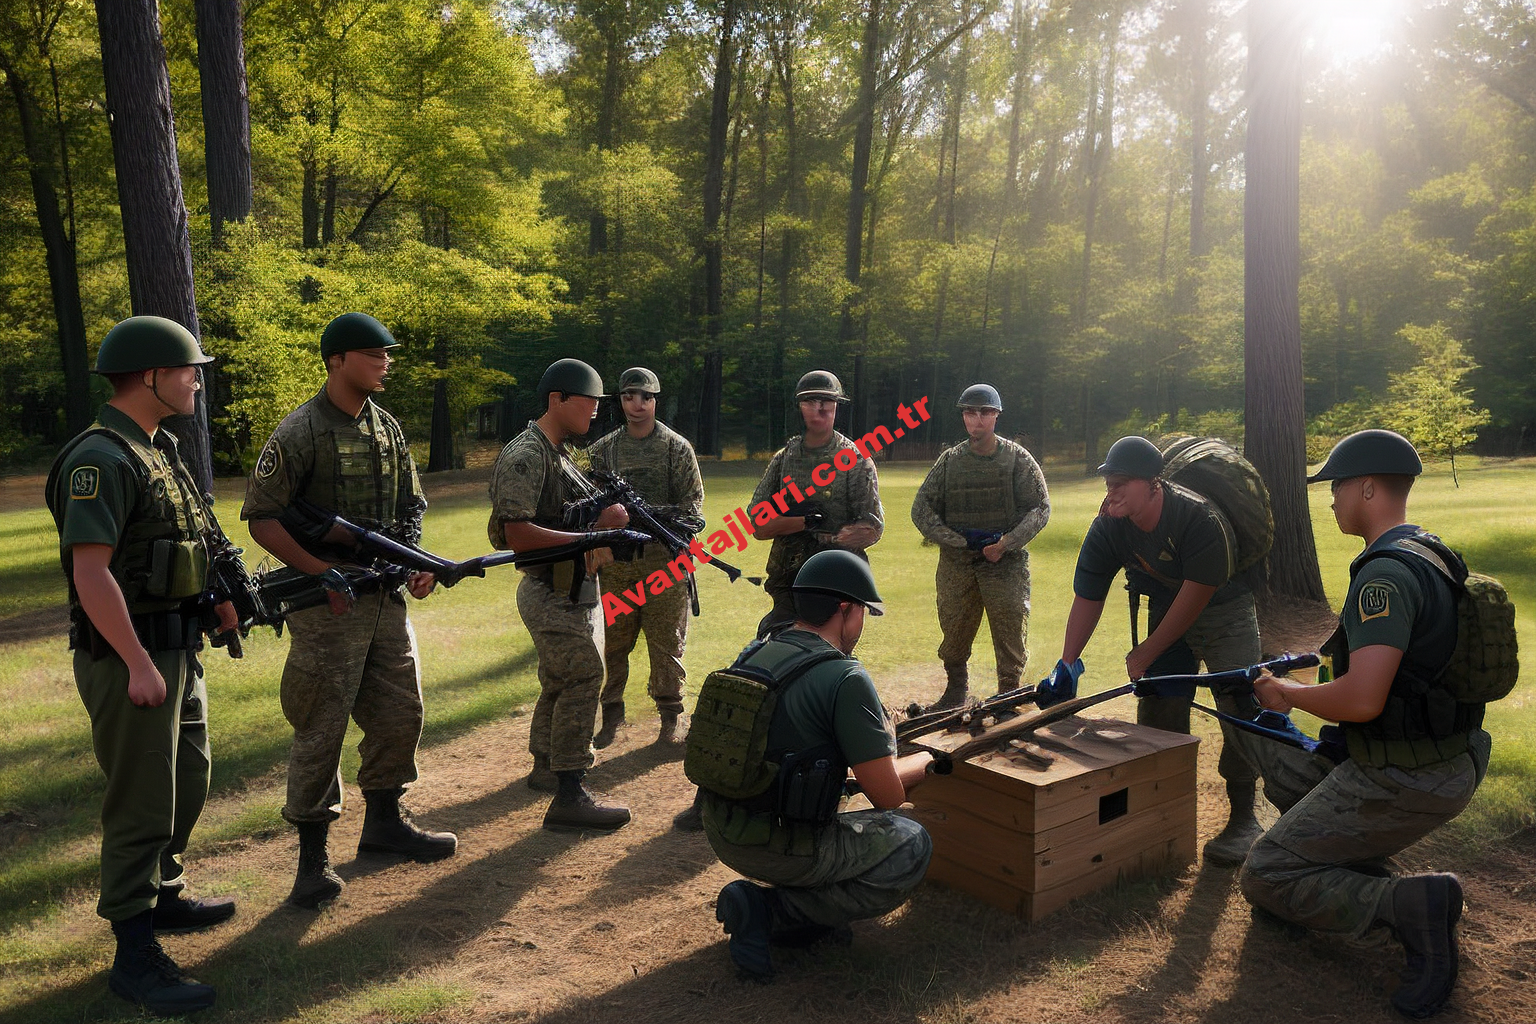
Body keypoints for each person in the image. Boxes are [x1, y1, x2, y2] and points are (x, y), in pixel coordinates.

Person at [1241, 430, 1491, 1020]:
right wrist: (1300, 666)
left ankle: (1407, 903)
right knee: (1285, 770)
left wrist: (1290, 696)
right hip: (1442, 755)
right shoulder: (1427, 552)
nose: (1330, 500)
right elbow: (1378, 659)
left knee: (1266, 873)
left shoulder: (1383, 577)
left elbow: (1361, 700)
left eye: (1336, 487)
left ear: (1369, 487)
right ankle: (1348, 863)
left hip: (1404, 775)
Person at [46, 316, 237, 1016]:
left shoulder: (159, 449)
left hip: (175, 646)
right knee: (142, 805)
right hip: (130, 657)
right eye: (189, 369)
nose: (196, 379)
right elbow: (91, 574)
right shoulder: (101, 458)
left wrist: (214, 603)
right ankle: (133, 955)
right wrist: (136, 663)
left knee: (190, 781)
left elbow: (181, 546)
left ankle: (163, 896)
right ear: (149, 375)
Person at [242, 312, 455, 911]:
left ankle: (384, 824)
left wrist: (415, 559)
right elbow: (263, 517)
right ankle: (312, 861)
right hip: (328, 606)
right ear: (336, 360)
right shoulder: (300, 432)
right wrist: (320, 570)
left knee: (399, 711)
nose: (386, 360)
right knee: (321, 725)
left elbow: (411, 504)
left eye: (388, 352)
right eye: (373, 352)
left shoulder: (386, 427)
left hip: (383, 598)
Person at [701, 550, 935, 981]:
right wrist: (932, 758)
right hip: (777, 844)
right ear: (845, 608)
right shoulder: (845, 676)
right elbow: (887, 795)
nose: (862, 623)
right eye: (863, 611)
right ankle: (773, 912)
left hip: (721, 825)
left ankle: (791, 905)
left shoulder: (756, 651)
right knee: (910, 843)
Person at [1054, 435, 1264, 866]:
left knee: (1240, 708)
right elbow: (1089, 594)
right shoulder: (1110, 523)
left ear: (1153, 484)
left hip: (1225, 608)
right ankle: (1160, 814)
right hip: (1168, 605)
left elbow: (1198, 594)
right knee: (1159, 709)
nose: (1111, 492)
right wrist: (1067, 662)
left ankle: (1244, 817)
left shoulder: (1197, 518)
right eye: (1109, 482)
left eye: (1122, 483)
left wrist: (1146, 652)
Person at [488, 358, 632, 832]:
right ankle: (571, 791)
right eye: (588, 401)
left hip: (568, 587)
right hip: (548, 590)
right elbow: (515, 533)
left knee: (559, 678)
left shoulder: (560, 453)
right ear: (558, 400)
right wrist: (594, 532)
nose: (595, 410)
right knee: (584, 675)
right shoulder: (527, 455)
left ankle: (546, 767)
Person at [911, 384, 1050, 710]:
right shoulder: (950, 462)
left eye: (984, 412)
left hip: (1005, 564)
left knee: (1009, 628)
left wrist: (1006, 544)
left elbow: (1040, 508)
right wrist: (956, 540)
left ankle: (1008, 694)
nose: (977, 419)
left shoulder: (1017, 460)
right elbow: (921, 509)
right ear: (963, 416)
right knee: (954, 626)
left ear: (996, 416)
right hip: (958, 562)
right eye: (970, 412)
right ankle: (955, 690)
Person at [587, 367, 705, 747]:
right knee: (614, 644)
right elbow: (586, 505)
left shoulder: (677, 449)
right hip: (618, 564)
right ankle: (612, 715)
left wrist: (649, 515)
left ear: (656, 400)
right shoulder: (603, 451)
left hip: (664, 564)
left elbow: (693, 511)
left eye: (645, 397)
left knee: (667, 644)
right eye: (628, 397)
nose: (637, 405)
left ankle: (671, 717)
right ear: (619, 401)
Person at [751, 370, 884, 638]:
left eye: (827, 402)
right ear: (800, 407)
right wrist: (802, 522)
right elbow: (758, 523)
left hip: (837, 582)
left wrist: (833, 539)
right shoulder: (784, 459)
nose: (819, 409)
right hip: (789, 580)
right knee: (788, 654)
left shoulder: (856, 461)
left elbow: (872, 528)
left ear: (836, 407)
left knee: (834, 655)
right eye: (810, 402)